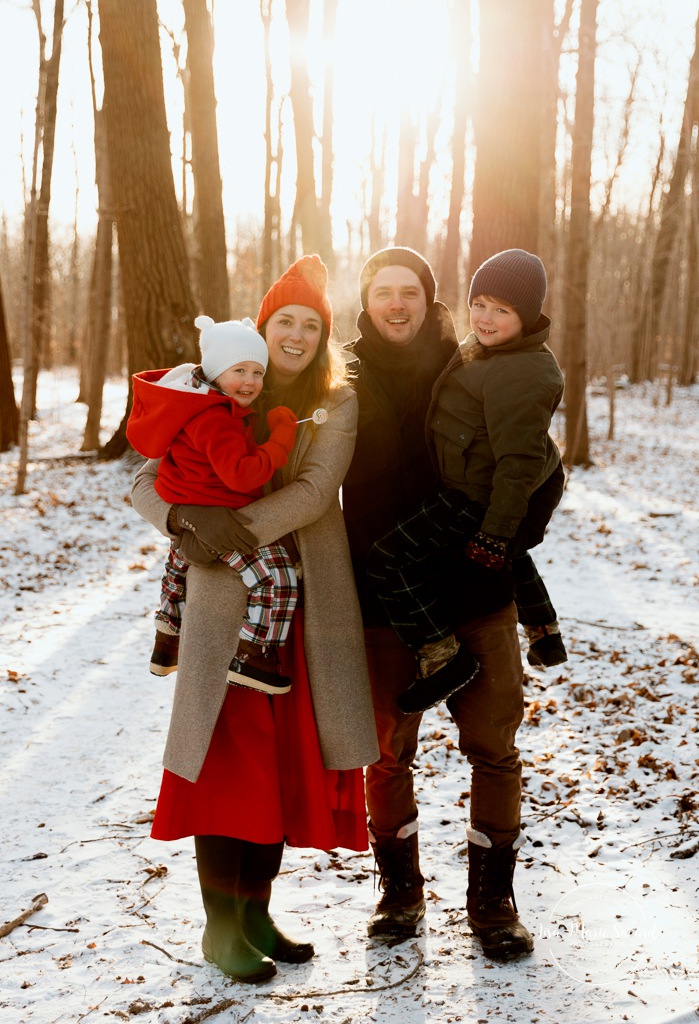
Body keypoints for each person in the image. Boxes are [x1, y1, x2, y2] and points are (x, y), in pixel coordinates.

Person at [130, 254, 379, 983]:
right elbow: (145, 476)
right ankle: (219, 927)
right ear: (261, 327)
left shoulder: (336, 402)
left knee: (278, 764)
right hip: (223, 604)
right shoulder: (215, 384)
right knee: (224, 762)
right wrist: (184, 519)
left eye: (310, 324)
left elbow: (313, 488)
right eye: (284, 322)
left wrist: (231, 524)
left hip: (304, 606)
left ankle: (256, 911)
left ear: (322, 336)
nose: (296, 335)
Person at [342, 246, 562, 962]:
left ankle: (491, 902)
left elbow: (532, 456)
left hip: (473, 588)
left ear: (430, 299)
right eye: (383, 292)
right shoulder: (337, 373)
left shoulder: (468, 357)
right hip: (383, 596)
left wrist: (515, 527)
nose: (396, 304)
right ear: (366, 300)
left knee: (493, 749)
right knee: (384, 753)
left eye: (410, 290)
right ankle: (398, 892)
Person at [364, 248, 565, 715]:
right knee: (509, 550)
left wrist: (494, 532)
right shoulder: (488, 350)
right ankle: (543, 628)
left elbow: (518, 462)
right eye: (479, 304)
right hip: (471, 484)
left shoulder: (520, 370)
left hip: (475, 494)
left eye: (503, 309)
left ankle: (441, 656)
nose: (486, 318)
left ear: (527, 315)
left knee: (387, 560)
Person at [127, 315, 300, 695]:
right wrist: (281, 439)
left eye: (257, 371)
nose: (251, 381)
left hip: (192, 508)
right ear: (216, 370)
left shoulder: (195, 405)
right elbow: (241, 474)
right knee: (278, 579)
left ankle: (167, 637)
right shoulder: (215, 419)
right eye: (239, 370)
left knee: (178, 572)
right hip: (218, 513)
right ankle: (256, 655)